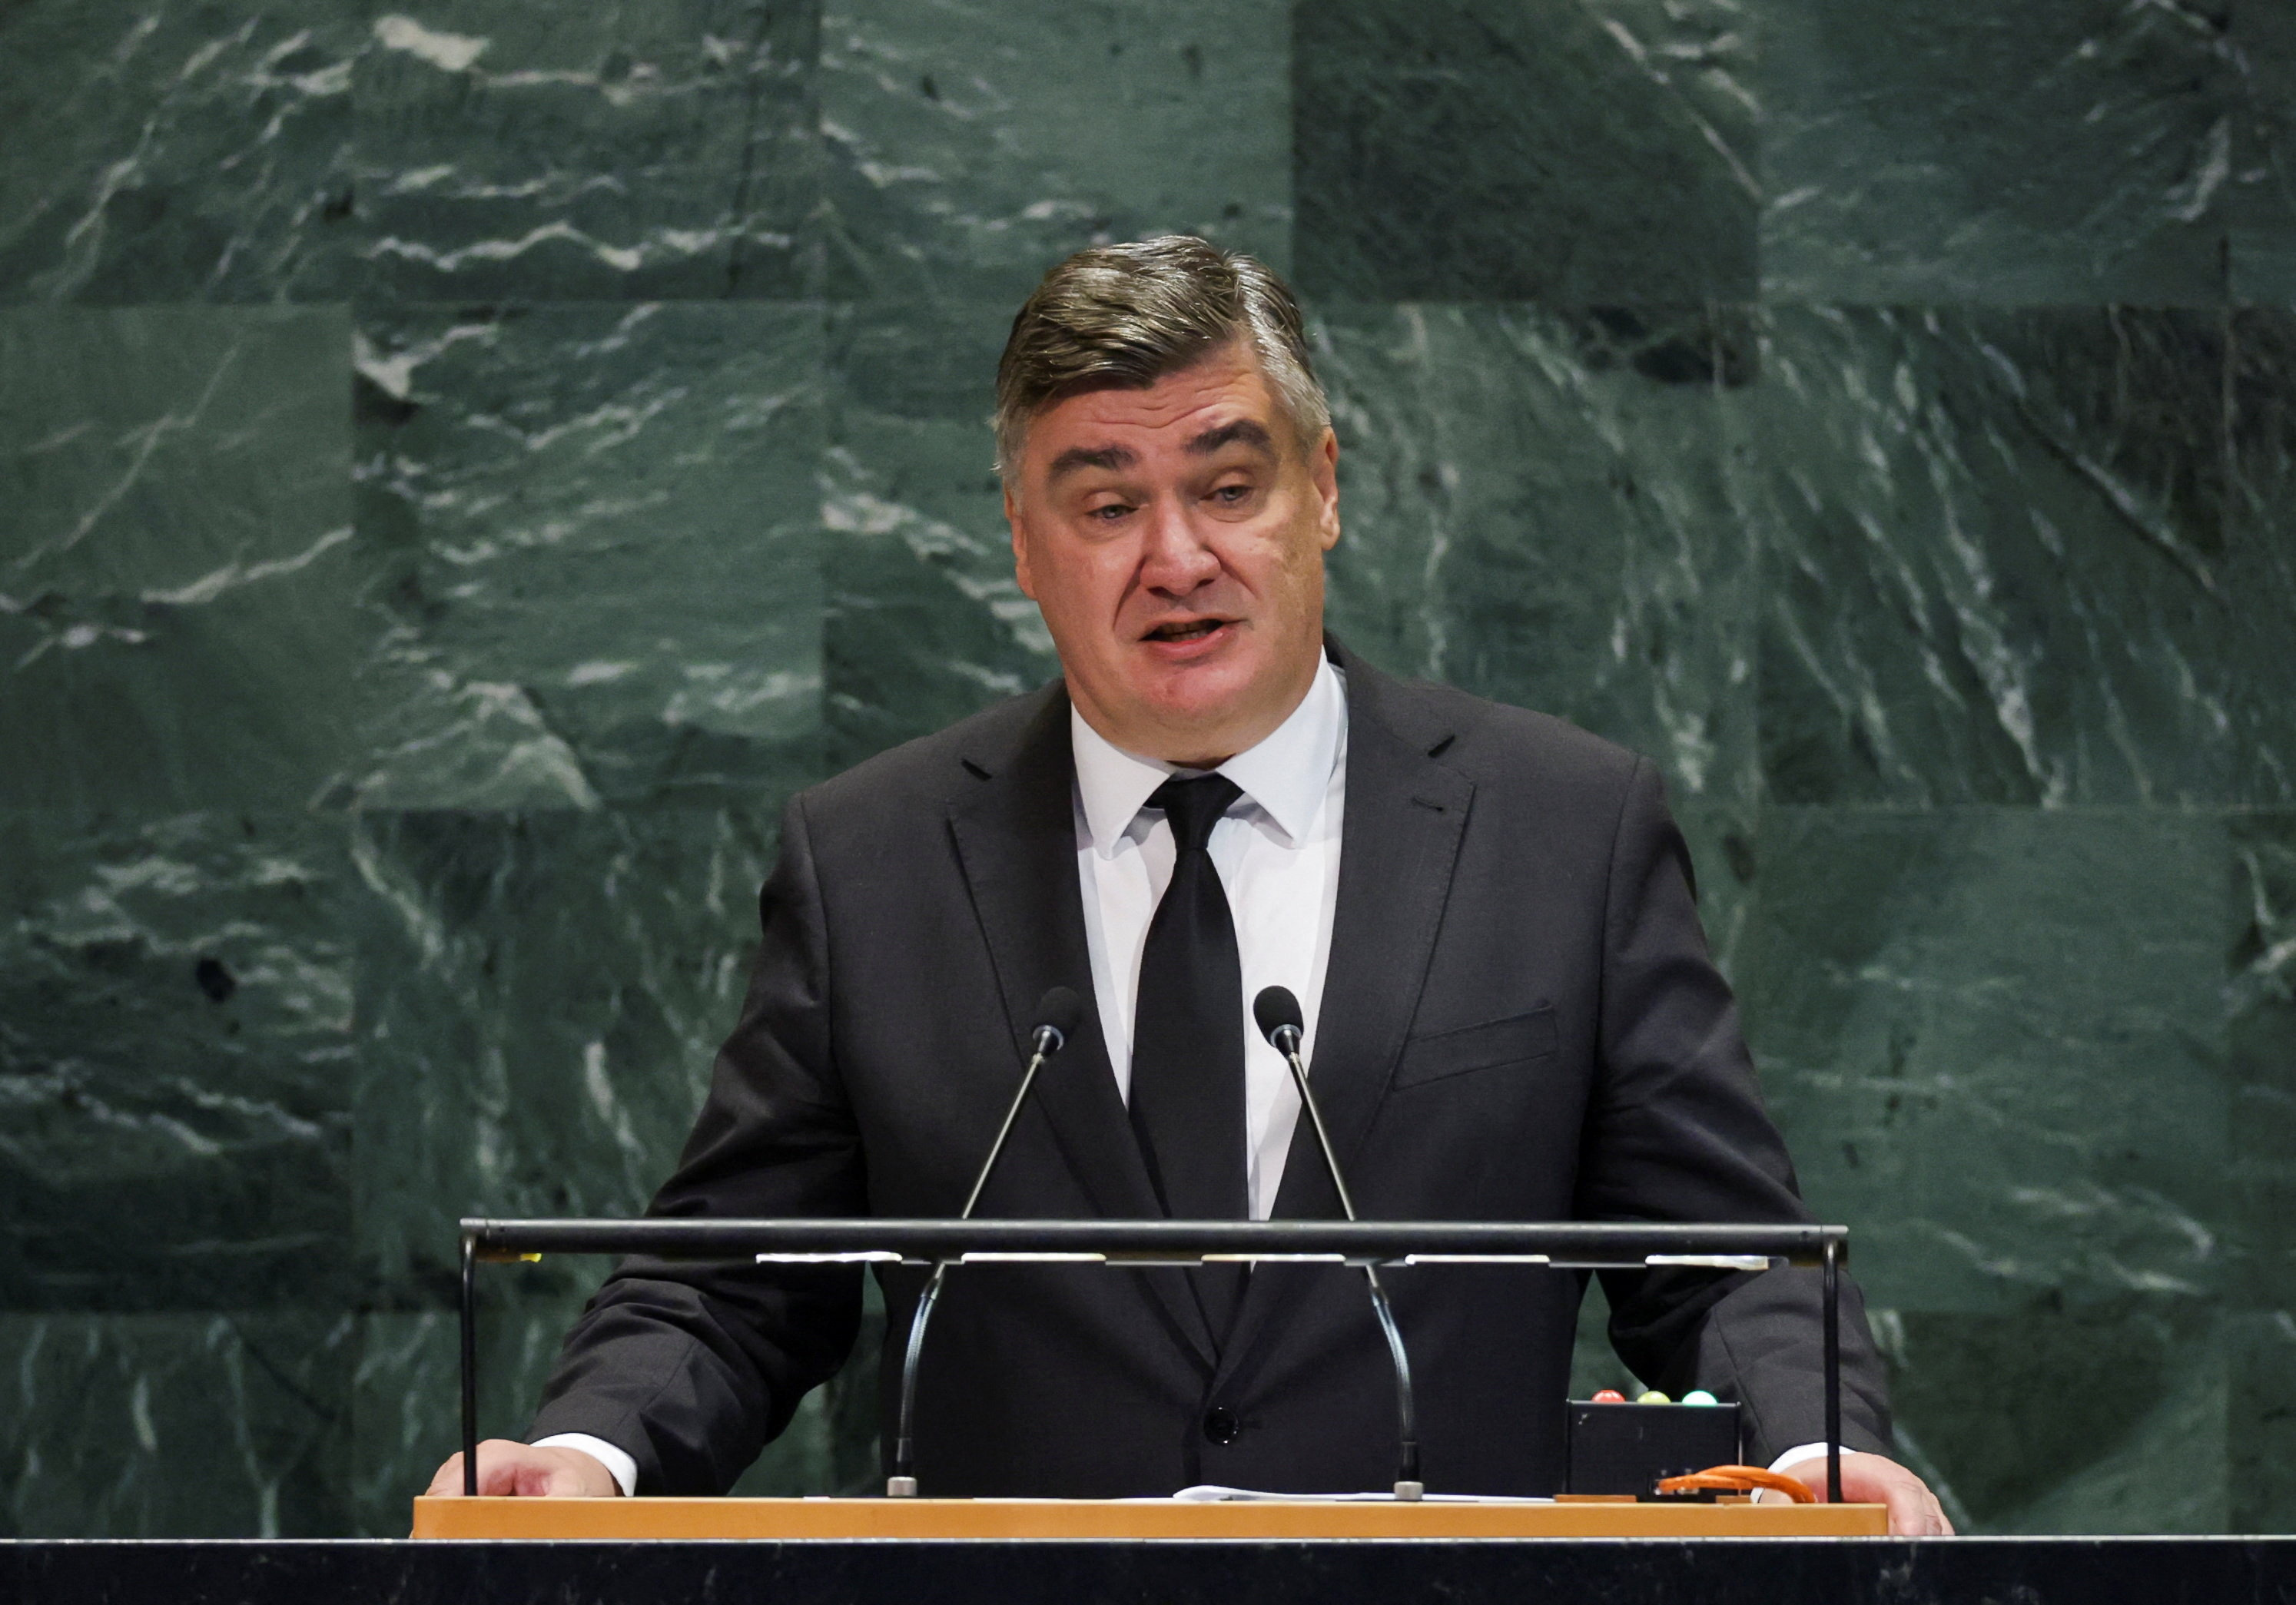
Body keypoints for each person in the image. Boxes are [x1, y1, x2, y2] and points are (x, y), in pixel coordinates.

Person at [427, 236, 1949, 1534]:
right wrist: (588, 1450)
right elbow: (738, 1276)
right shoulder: (873, 861)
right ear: (1023, 542)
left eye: (1229, 483)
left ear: (1326, 488)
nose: (1177, 556)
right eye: (1105, 504)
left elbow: (1717, 1254)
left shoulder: (1564, 828)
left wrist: (1821, 1449)